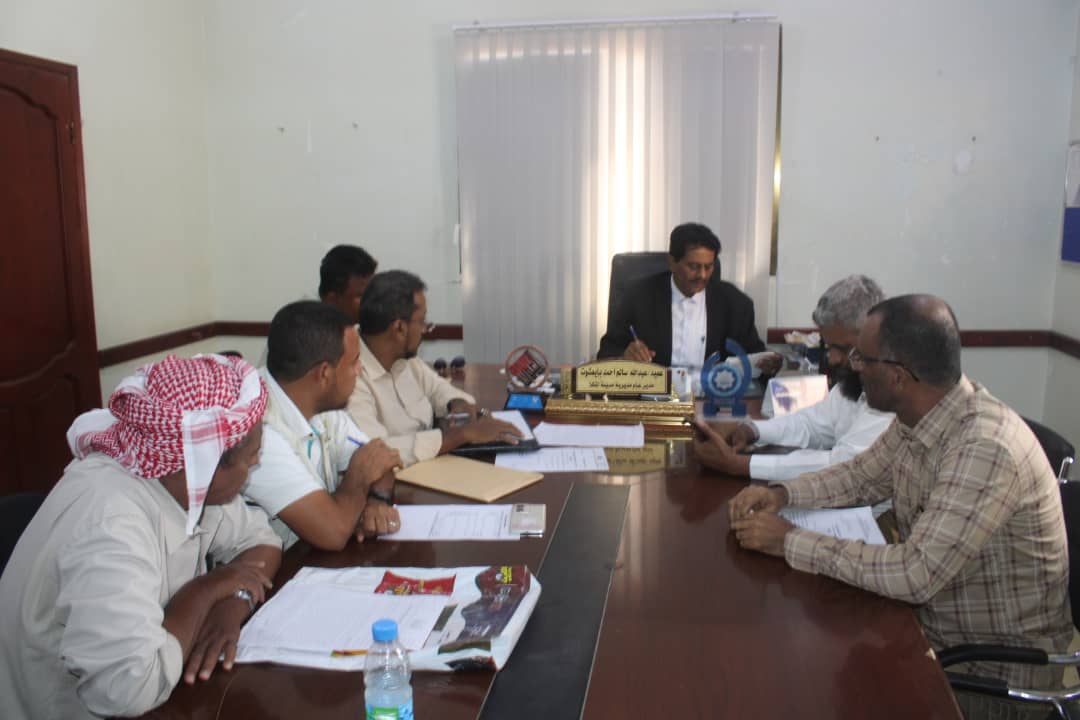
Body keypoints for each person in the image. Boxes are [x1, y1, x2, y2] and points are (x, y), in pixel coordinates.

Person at [723, 295, 1071, 697]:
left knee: (805, 684)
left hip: (986, 674)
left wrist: (788, 541)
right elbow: (860, 476)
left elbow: (915, 574)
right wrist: (783, 495)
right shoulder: (922, 415)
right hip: (930, 630)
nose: (853, 366)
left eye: (863, 358)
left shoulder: (984, 448)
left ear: (898, 376)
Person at [0, 355, 283, 719]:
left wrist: (234, 602)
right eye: (252, 454)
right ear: (207, 462)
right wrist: (206, 590)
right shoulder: (112, 525)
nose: (256, 462)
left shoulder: (185, 478)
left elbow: (262, 542)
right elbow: (128, 691)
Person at [695, 275, 893, 480]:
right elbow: (812, 424)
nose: (833, 359)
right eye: (828, 346)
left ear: (873, 336)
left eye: (843, 348)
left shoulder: (893, 391)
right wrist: (751, 430)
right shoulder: (855, 380)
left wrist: (740, 464)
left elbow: (844, 465)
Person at [243, 300, 402, 550]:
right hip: (278, 567)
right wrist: (358, 481)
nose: (360, 370)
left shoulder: (320, 403)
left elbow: (380, 461)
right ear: (324, 374)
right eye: (354, 362)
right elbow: (333, 532)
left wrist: (375, 502)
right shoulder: (257, 434)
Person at [347, 271, 523, 465]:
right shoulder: (348, 375)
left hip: (435, 464)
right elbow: (375, 452)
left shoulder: (403, 358)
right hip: (402, 479)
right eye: (422, 321)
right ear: (399, 328)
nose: (425, 330)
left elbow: (438, 388)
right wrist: (462, 434)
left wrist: (456, 404)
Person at [596, 222, 772, 373]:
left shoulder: (736, 304)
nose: (702, 275)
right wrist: (625, 356)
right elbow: (606, 353)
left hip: (713, 397)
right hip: (655, 396)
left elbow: (756, 359)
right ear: (672, 262)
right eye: (694, 267)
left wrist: (770, 364)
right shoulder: (638, 297)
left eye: (708, 267)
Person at [319, 244, 378, 324]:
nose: (373, 302)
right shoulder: (309, 330)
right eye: (363, 296)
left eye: (374, 294)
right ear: (332, 301)